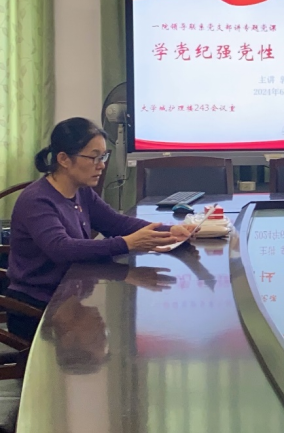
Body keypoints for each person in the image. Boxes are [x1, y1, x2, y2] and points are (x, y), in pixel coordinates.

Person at [6, 118, 194, 339]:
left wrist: (171, 231)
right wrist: (126, 244)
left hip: (70, 298)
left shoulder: (81, 191)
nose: (102, 165)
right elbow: (61, 249)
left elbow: (116, 223)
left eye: (103, 157)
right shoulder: (37, 200)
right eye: (94, 157)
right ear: (64, 159)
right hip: (37, 307)